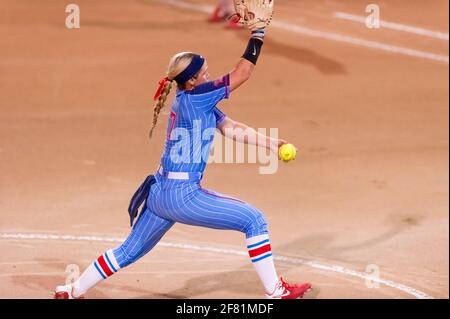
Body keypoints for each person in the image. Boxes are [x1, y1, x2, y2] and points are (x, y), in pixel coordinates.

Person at [54, 24, 311, 299]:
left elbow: (231, 128)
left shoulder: (191, 100)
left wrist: (273, 144)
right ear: (191, 81)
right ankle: (275, 291)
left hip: (159, 193)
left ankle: (72, 291)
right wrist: (258, 34)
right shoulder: (198, 98)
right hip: (182, 196)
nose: (209, 76)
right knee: (254, 221)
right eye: (205, 73)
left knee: (127, 251)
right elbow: (243, 72)